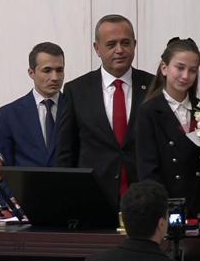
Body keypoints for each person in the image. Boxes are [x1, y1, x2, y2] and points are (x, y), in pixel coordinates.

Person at [57, 14, 154, 206]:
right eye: (111, 44)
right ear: (97, 48)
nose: (120, 50)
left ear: (135, 44)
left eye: (125, 43)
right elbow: (66, 152)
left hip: (144, 198)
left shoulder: (154, 86)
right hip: (92, 197)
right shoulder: (76, 90)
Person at [136, 37, 200, 219]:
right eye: (180, 68)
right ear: (164, 68)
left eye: (192, 70)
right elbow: (148, 170)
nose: (185, 76)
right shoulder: (149, 111)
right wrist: (167, 212)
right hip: (166, 209)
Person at [0, 42, 65, 167]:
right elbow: (0, 168)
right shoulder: (10, 114)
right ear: (31, 73)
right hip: (24, 187)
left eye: (59, 70)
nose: (55, 77)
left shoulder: (76, 108)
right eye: (47, 70)